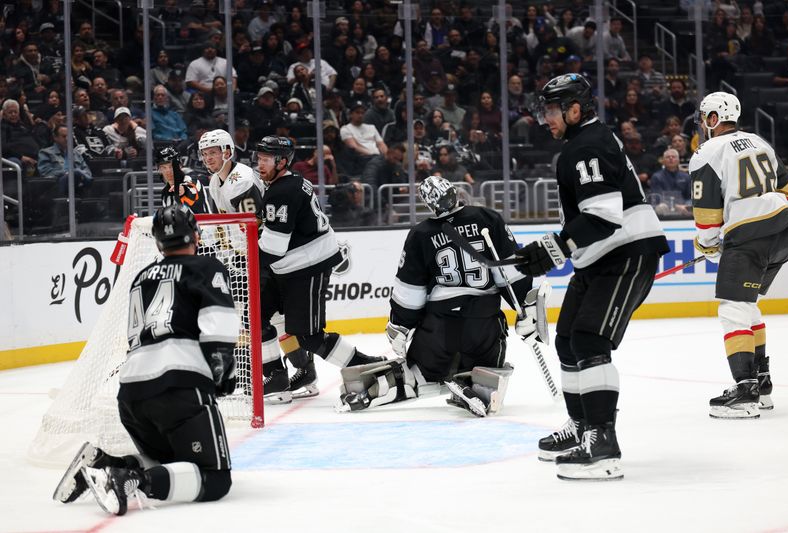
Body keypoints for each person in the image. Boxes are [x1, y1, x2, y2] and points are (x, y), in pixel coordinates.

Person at [514, 74, 668, 481]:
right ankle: (582, 427)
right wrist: (550, 251)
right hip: (600, 258)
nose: (545, 118)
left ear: (575, 109)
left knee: (589, 339)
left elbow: (602, 216)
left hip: (625, 252)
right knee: (567, 340)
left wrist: (548, 251)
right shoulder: (584, 143)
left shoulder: (586, 146)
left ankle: (602, 444)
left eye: (551, 110)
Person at [53, 205, 237, 516]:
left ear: (158, 243)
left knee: (173, 465)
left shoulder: (142, 276)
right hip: (179, 385)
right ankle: (131, 478)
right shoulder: (206, 267)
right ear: (195, 235)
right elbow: (218, 328)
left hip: (131, 394)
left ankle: (107, 463)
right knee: (215, 479)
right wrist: (222, 377)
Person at [336, 176, 542, 417]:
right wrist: (526, 308)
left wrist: (400, 325)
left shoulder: (420, 234)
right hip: (483, 323)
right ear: (455, 193)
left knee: (417, 371)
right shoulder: (488, 218)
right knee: (488, 368)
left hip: (439, 327)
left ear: (429, 205)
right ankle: (476, 386)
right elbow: (511, 272)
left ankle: (384, 387)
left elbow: (410, 292)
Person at [689, 92, 788, 419]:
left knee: (733, 309)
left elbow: (707, 217)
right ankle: (761, 384)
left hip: (750, 238)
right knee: (747, 305)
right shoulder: (759, 141)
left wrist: (708, 244)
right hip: (783, 233)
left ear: (712, 120)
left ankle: (746, 389)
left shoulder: (706, 151)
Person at [254, 136, 384, 402]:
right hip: (291, 266)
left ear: (281, 162)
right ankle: (276, 376)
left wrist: (242, 262)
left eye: (266, 159)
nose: (260, 164)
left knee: (309, 337)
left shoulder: (281, 192)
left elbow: (273, 248)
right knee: (258, 313)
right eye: (259, 158)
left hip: (307, 267)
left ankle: (366, 365)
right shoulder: (289, 181)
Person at [199, 128, 263, 215]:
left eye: (212, 152)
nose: (207, 158)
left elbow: (253, 223)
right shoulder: (214, 181)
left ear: (227, 153)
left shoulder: (243, 181)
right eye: (204, 154)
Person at [37, 124, 93, 195]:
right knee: (75, 173)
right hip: (56, 188)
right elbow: (46, 174)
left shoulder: (76, 153)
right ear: (55, 137)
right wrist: (66, 173)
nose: (67, 139)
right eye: (64, 136)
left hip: (78, 187)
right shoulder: (45, 153)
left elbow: (88, 173)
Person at [157, 146, 210, 213]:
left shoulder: (193, 181)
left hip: (203, 222)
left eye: (171, 166)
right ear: (159, 170)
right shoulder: (165, 193)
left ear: (180, 166)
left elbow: (191, 189)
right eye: (164, 167)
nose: (168, 171)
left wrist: (184, 190)